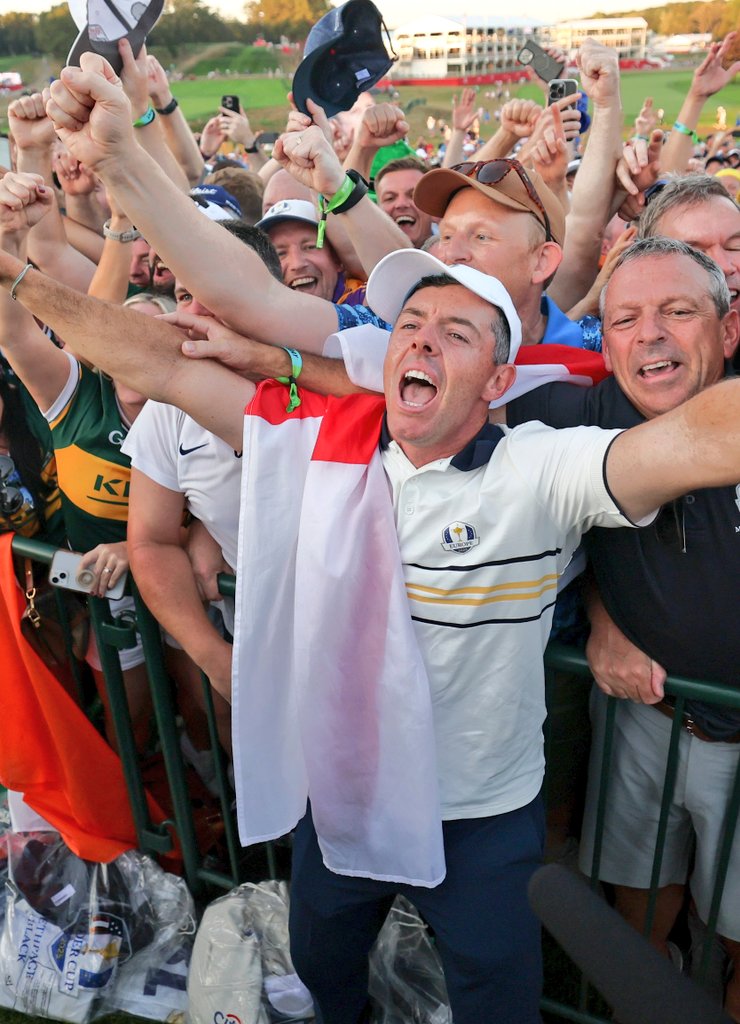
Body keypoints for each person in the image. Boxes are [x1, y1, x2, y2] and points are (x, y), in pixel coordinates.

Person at [4, 187, 740, 1019]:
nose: (422, 341)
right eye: (410, 328)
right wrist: (18, 279)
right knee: (326, 974)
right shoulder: (325, 441)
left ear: (500, 378)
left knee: (497, 1005)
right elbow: (161, 367)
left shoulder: (542, 469)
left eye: (455, 333)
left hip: (484, 822)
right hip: (347, 796)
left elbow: (702, 439)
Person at [504, 236, 740, 1019]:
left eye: (679, 311)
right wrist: (603, 618)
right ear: (602, 344)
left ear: (728, 330)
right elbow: (428, 392)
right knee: (636, 902)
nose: (652, 336)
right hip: (649, 722)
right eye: (626, 319)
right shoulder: (578, 412)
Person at [256, 199, 367, 305]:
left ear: (337, 259)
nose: (297, 264)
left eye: (309, 247)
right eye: (280, 254)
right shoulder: (255, 317)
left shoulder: (368, 302)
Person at [374, 156, 435, 248]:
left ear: (433, 206)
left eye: (413, 195)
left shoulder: (456, 254)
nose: (401, 204)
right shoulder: (361, 257)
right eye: (390, 198)